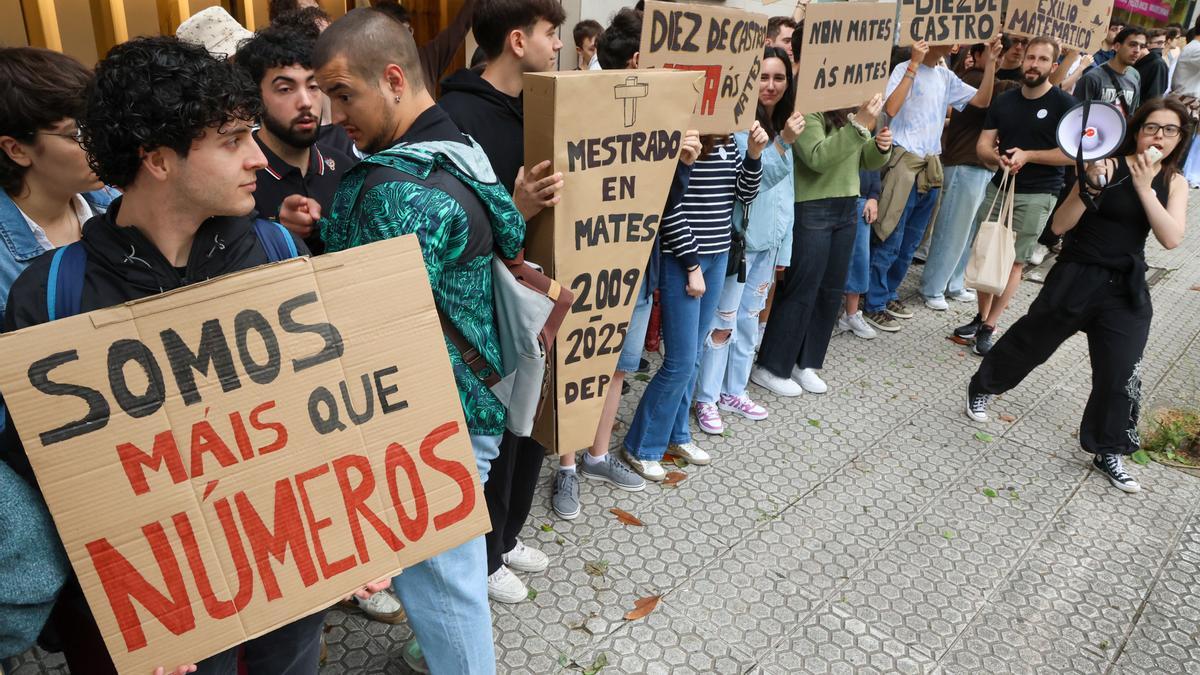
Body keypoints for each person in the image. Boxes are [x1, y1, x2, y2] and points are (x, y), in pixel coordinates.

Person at [1, 35, 386, 675]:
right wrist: (135, 609)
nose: (258, 161)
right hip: (161, 612)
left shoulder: (274, 252)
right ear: (157, 160)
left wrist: (354, 530)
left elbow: (324, 409)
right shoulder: (51, 292)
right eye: (233, 141)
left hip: (289, 580)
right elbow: (49, 471)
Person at [283, 9, 527, 672]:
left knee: (440, 581)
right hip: (478, 393)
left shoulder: (393, 188)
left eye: (341, 94)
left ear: (392, 78)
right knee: (452, 562)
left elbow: (365, 318)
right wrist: (327, 231)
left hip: (430, 417)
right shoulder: (456, 144)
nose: (333, 116)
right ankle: (435, 650)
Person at [967, 98, 1190, 494]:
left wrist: (1144, 188)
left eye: (1169, 130)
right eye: (1152, 127)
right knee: (1032, 342)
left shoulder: (1173, 182)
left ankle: (1108, 448)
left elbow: (1171, 238)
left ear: (1180, 138)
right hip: (1077, 274)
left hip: (1125, 288)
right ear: (1137, 132)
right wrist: (1086, 184)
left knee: (1121, 372)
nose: (1159, 136)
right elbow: (1060, 224)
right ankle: (982, 387)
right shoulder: (1105, 165)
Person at [438, 0, 566, 606]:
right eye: (551, 33)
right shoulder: (456, 118)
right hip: (488, 311)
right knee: (497, 430)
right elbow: (464, 237)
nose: (560, 45)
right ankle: (484, 557)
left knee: (530, 425)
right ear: (517, 40)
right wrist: (518, 207)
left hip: (539, 298)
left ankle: (507, 537)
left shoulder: (546, 107)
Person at [551, 7, 701, 520]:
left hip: (637, 267)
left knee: (617, 367)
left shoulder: (664, 116)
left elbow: (664, 203)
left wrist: (678, 163)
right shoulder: (579, 102)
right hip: (586, 263)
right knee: (579, 365)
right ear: (639, 60)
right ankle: (566, 467)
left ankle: (596, 455)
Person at [623, 126, 767, 477]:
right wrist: (690, 264)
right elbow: (667, 206)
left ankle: (677, 434)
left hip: (718, 255)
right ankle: (640, 446)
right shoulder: (683, 134)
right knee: (680, 360)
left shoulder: (731, 137)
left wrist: (755, 156)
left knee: (695, 355)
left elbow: (744, 195)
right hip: (684, 259)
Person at [694, 47, 804, 434]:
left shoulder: (785, 123)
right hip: (738, 245)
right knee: (721, 325)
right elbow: (753, 184)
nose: (771, 86)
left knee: (749, 321)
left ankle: (732, 390)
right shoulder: (740, 124)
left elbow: (786, 194)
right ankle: (706, 398)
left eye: (779, 78)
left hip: (769, 244)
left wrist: (784, 247)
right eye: (764, 77)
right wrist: (784, 143)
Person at [753, 93, 891, 395]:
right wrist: (860, 125)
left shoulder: (850, 110)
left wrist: (881, 148)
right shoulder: (808, 108)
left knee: (830, 291)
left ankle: (806, 364)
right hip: (812, 207)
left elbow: (864, 158)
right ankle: (772, 366)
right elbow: (818, 157)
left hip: (846, 206)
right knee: (802, 288)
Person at [861, 37, 999, 334]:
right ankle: (872, 302)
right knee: (890, 236)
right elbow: (892, 108)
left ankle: (888, 294)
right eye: (949, 39)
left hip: (931, 164)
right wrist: (913, 63)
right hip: (903, 163)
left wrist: (992, 65)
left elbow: (981, 101)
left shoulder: (945, 74)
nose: (955, 44)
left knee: (912, 239)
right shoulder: (902, 68)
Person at [953, 36, 1076, 356]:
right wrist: (999, 159)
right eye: (1030, 58)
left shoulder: (1065, 106)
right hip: (999, 187)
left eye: (1042, 59)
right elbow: (983, 145)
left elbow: (1073, 154)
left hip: (1038, 193)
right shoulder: (1005, 101)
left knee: (1014, 262)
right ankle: (981, 317)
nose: (1034, 64)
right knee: (985, 252)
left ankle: (990, 325)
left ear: (1054, 63)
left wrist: (1029, 155)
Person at [0, 48, 114, 326]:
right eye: (75, 134)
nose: (98, 141)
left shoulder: (120, 205)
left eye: (96, 124)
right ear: (16, 149)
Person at [235, 27, 353, 256]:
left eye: (313, 86)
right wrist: (273, 227)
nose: (306, 102)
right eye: (286, 89)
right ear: (255, 98)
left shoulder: (343, 168)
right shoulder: (239, 178)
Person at [920, 42, 1019, 311]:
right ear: (975, 55)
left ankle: (953, 283)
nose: (999, 55)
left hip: (979, 167)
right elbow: (989, 98)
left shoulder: (990, 80)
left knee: (967, 232)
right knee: (952, 231)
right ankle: (933, 288)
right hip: (964, 165)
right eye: (992, 50)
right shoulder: (974, 79)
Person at [372, 0, 478, 91]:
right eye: (402, 33)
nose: (409, 38)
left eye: (409, 30)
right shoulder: (370, 72)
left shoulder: (425, 59)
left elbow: (460, 25)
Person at [839, 168, 881, 339]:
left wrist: (873, 196)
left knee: (860, 258)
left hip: (861, 197)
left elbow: (876, 162)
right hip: (831, 192)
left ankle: (851, 314)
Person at [1076, 27, 1145, 117]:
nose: (1137, 50)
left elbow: (1131, 116)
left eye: (1142, 46)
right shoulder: (1092, 78)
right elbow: (1077, 115)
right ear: (1117, 47)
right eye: (1132, 45)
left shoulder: (1134, 80)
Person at [1136, 28, 1170, 103]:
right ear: (1146, 43)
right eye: (1159, 43)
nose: (1163, 46)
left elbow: (1154, 97)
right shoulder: (1146, 60)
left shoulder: (1158, 64)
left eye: (1164, 43)